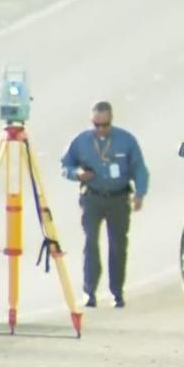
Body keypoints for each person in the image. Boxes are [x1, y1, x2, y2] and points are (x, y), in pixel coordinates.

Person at [61, 101, 149, 308]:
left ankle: (117, 292)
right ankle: (89, 291)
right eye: (96, 124)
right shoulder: (81, 141)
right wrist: (77, 174)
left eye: (104, 125)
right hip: (92, 197)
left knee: (118, 245)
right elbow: (65, 165)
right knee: (91, 242)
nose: (100, 129)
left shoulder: (125, 140)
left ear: (111, 121)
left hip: (118, 198)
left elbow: (139, 168)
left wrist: (140, 194)